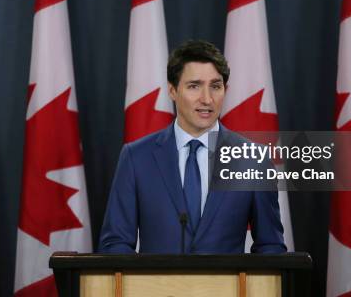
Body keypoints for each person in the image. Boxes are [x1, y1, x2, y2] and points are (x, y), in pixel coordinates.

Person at [98, 40, 286, 254]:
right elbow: (115, 244)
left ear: (226, 89)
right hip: (156, 288)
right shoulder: (136, 158)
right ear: (172, 90)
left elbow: (271, 247)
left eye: (215, 86)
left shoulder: (255, 160)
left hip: (228, 288)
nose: (206, 99)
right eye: (194, 86)